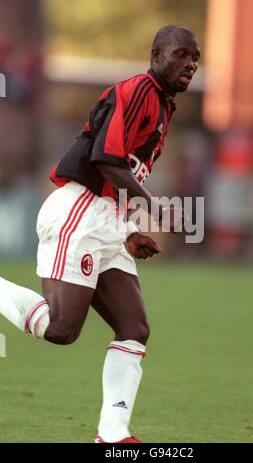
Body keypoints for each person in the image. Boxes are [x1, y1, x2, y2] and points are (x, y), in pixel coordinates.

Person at [0, 25, 200, 443]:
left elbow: (123, 170)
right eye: (181, 54)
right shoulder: (139, 90)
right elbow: (106, 159)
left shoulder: (163, 105)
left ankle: (112, 434)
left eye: (195, 58)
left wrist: (128, 231)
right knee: (61, 330)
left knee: (135, 327)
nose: (190, 64)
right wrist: (152, 204)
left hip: (108, 220)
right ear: (156, 54)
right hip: (81, 211)